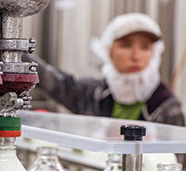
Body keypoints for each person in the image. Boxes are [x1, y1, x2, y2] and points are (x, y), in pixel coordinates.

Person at [26, 13, 185, 126]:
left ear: (155, 53)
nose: (136, 56)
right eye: (126, 45)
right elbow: (51, 79)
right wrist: (13, 51)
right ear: (108, 50)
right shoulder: (91, 93)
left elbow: (175, 163)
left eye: (145, 47)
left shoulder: (166, 106)